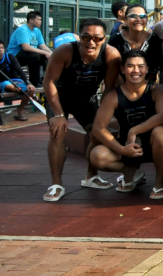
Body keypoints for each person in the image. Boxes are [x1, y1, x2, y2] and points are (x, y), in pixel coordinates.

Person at [43, 18, 122, 202]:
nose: (91, 42)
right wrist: (58, 114)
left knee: (98, 134)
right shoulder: (65, 51)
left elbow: (109, 88)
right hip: (60, 98)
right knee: (57, 132)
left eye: (97, 38)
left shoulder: (111, 55)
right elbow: (49, 82)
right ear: (79, 37)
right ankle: (56, 184)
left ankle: (91, 176)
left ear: (104, 39)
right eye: (86, 37)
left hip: (86, 100)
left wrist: (104, 116)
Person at [89, 49, 163, 199]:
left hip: (153, 145)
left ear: (147, 69)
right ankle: (130, 172)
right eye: (130, 66)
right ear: (122, 69)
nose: (136, 71)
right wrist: (121, 149)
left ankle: (159, 183)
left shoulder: (157, 90)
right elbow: (98, 128)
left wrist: (134, 130)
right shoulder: (113, 96)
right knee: (97, 155)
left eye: (140, 66)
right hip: (128, 146)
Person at [108, 3, 163, 83]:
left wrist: (142, 88)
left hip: (146, 86)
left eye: (142, 16)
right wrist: (124, 88)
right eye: (133, 16)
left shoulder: (154, 40)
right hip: (120, 86)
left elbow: (154, 71)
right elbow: (112, 68)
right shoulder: (115, 39)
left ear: (147, 19)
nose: (138, 19)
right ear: (125, 19)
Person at [9, 10, 51, 86]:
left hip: (29, 54)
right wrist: (45, 52)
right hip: (14, 55)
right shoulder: (23, 30)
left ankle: (49, 80)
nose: (40, 21)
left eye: (41, 20)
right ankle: (34, 82)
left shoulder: (37, 31)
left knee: (45, 56)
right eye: (38, 20)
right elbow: (26, 48)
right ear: (31, 20)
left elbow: (43, 46)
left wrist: (51, 53)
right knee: (34, 56)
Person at [0, 39, 36, 121]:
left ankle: (20, 110)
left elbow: (20, 70)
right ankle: (23, 92)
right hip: (2, 83)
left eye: (2, 48)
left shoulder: (9, 57)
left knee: (31, 89)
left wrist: (28, 83)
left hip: (15, 81)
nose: (0, 50)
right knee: (8, 85)